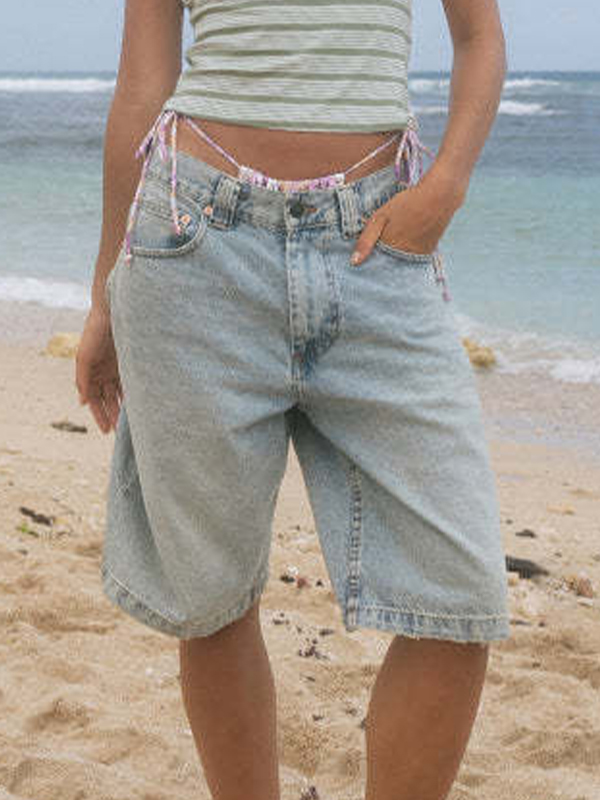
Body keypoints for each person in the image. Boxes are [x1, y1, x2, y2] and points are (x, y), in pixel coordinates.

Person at [75, 1, 510, 798]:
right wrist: (105, 292)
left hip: (379, 245)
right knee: (212, 595)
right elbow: (143, 81)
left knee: (460, 590)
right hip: (191, 245)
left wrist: (445, 186)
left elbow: (479, 35)